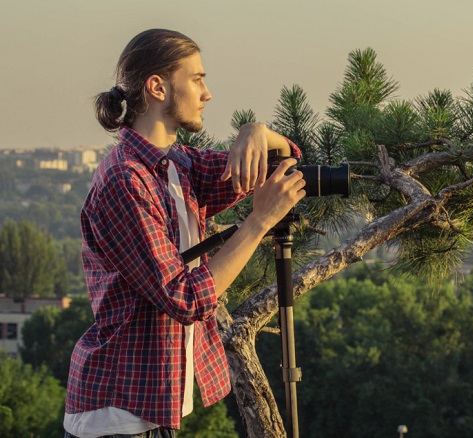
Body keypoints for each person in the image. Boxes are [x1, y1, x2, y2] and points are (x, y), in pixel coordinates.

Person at [64, 29, 306, 438]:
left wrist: (257, 131)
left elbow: (287, 163)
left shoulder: (177, 164)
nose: (207, 93)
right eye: (196, 79)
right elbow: (185, 297)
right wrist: (259, 222)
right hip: (117, 418)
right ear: (158, 87)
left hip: (150, 411)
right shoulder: (126, 181)